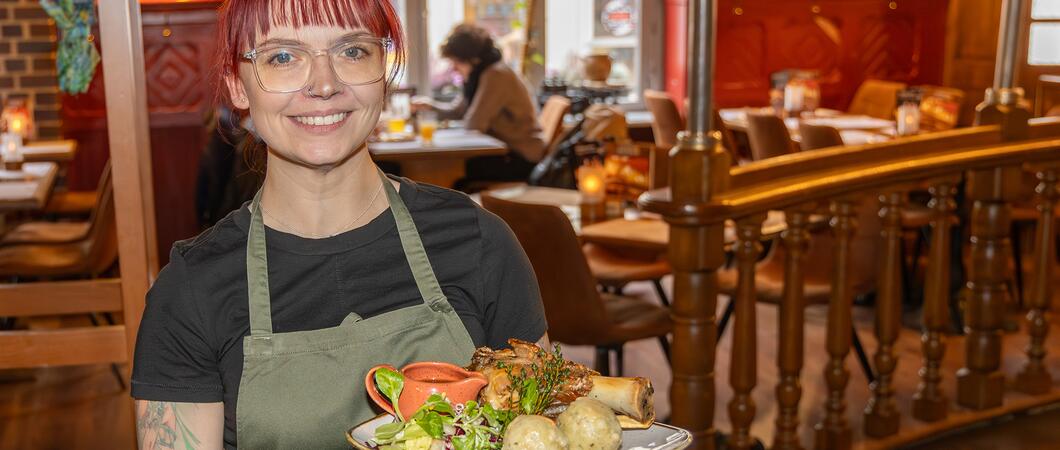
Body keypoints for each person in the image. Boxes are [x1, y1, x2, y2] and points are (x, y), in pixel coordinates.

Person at [130, 2, 547, 449]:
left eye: (352, 51)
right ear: (238, 83)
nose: (325, 85)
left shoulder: (480, 243)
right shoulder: (191, 292)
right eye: (283, 57)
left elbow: (543, 432)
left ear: (383, 72)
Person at [413, 24, 547, 190]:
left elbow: (474, 124)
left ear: (472, 59)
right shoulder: (481, 75)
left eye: (456, 61)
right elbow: (458, 111)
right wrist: (428, 107)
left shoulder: (496, 76)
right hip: (505, 152)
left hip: (519, 158)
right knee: (442, 169)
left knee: (446, 169)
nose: (453, 67)